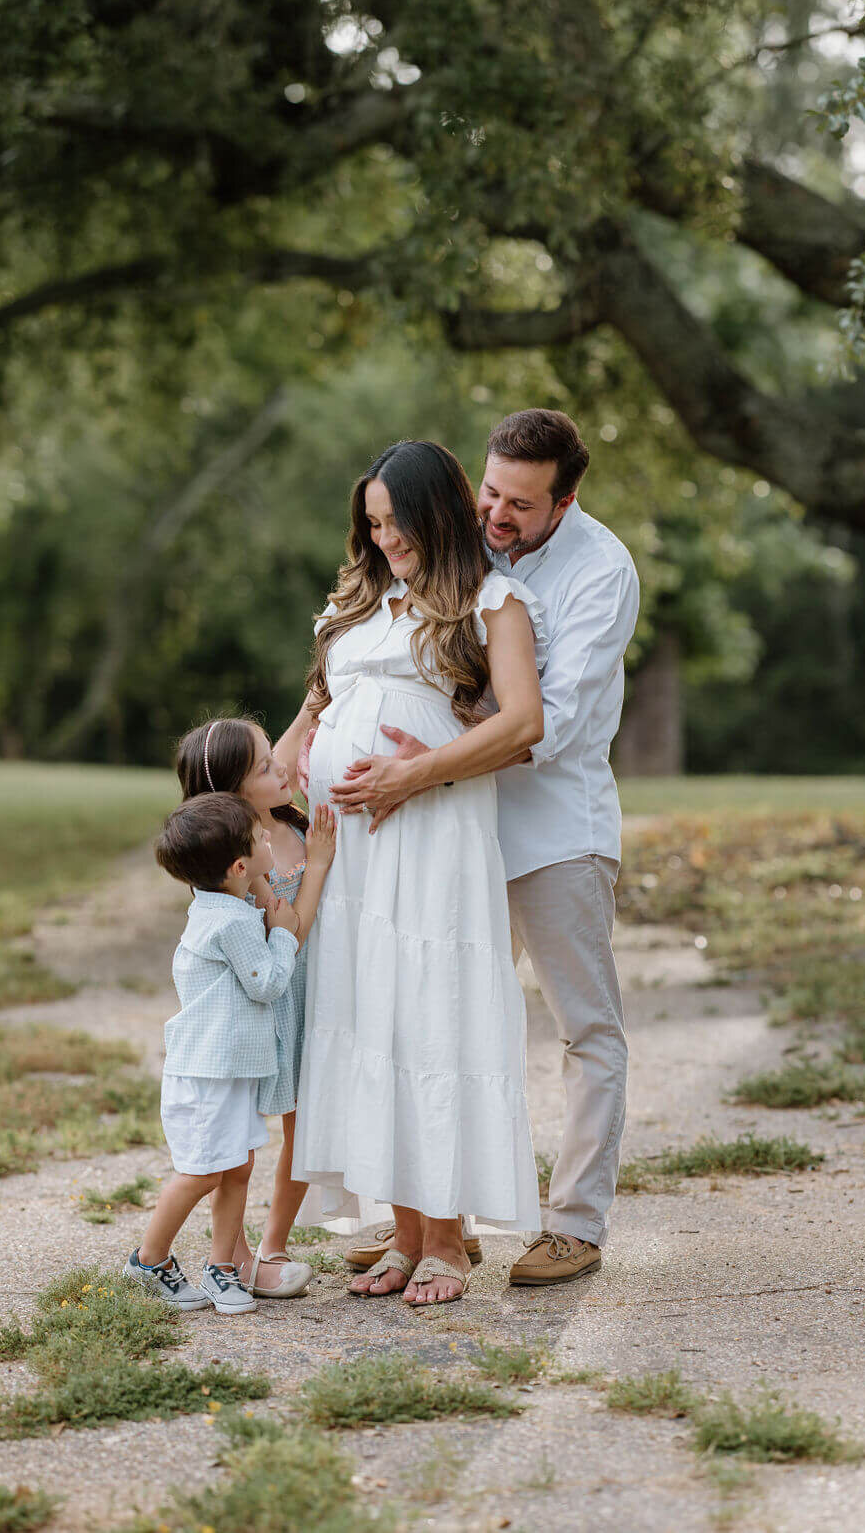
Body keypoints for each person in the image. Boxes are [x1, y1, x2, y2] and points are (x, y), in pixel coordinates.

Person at [323, 410, 639, 1286]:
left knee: (585, 1027)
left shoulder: (601, 571)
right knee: (431, 1013)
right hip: (447, 831)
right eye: (489, 492)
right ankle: (433, 1222)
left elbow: (548, 719)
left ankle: (574, 1221)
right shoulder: (464, 539)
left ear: (564, 500)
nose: (497, 516)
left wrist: (424, 751)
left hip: (549, 825)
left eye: (520, 505)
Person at [278, 439, 547, 1306]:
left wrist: (412, 774)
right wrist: (289, 752)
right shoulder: (360, 600)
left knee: (432, 1013)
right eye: (372, 524)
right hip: (351, 851)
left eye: (395, 521)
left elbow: (522, 724)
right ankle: (398, 1233)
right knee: (369, 1014)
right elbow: (321, 697)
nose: (384, 538)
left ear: (436, 510)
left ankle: (447, 1243)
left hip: (432, 831)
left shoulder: (491, 600)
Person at [122, 790, 335, 1313]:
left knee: (238, 1167)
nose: (269, 837)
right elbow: (266, 984)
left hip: (231, 1070)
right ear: (241, 866)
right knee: (201, 1173)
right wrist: (283, 934)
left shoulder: (217, 904)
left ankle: (222, 1268)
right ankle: (148, 1261)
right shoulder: (236, 921)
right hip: (208, 1076)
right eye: (260, 838)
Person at [175, 716, 327, 1298]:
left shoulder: (285, 817)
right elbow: (291, 932)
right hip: (269, 1003)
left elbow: (277, 756)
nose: (282, 767)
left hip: (312, 994)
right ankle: (234, 1257)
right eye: (264, 767)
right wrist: (317, 865)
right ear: (237, 796)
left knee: (302, 1126)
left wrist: (311, 706)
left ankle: (271, 1245)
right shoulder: (240, 865)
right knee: (237, 1138)